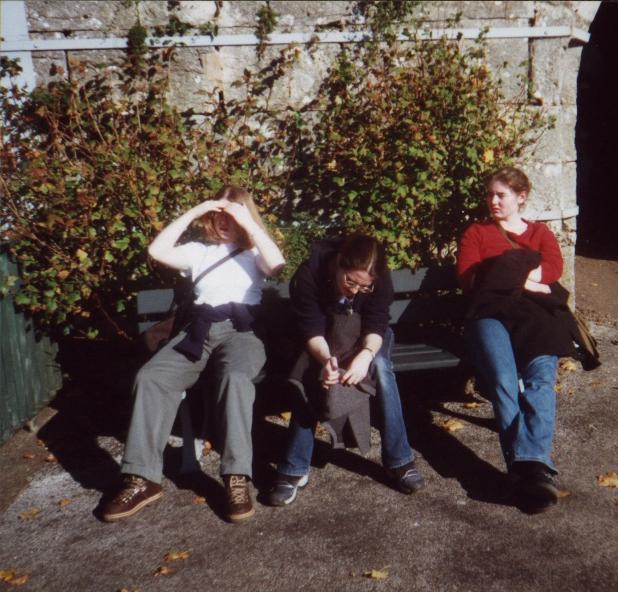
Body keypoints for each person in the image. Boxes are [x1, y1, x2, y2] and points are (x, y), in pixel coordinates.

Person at [100, 185, 285, 524]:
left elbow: (276, 264)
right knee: (151, 377)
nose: (223, 222)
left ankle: (236, 477)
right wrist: (196, 210)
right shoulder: (199, 252)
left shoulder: (255, 254)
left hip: (242, 332)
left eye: (231, 216)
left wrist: (247, 221)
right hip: (198, 331)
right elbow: (157, 250)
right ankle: (141, 478)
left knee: (236, 378)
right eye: (217, 215)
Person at [268, 234, 424, 506]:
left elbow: (377, 324)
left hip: (366, 337)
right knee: (309, 374)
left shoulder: (378, 280)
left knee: (381, 368)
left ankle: (400, 460)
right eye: (350, 281)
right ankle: (294, 467)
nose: (355, 290)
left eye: (364, 287)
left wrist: (365, 356)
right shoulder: (310, 275)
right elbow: (312, 329)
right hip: (324, 336)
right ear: (339, 262)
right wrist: (327, 361)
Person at [457, 166, 568, 512]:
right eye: (489, 194)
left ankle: (529, 470)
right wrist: (528, 276)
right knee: (504, 383)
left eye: (500, 195)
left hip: (534, 318)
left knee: (541, 380)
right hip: (489, 315)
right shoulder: (476, 233)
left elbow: (554, 269)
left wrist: (504, 271)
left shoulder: (540, 233)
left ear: (521, 197)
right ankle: (528, 472)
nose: (493, 201)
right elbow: (469, 278)